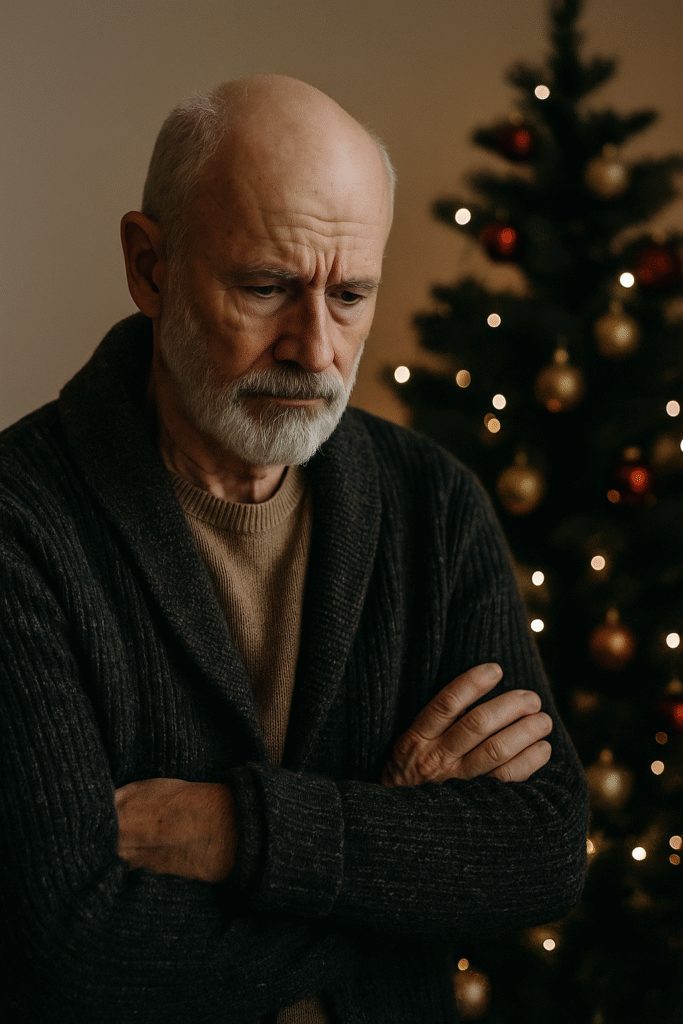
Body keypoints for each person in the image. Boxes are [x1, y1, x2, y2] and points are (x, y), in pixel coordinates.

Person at [0, 75, 588, 1024]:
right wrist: (399, 833)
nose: (315, 350)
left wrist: (242, 830)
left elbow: (539, 850)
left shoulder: (432, 501)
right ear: (149, 267)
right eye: (266, 287)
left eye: (349, 295)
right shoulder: (19, 522)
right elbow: (74, 948)